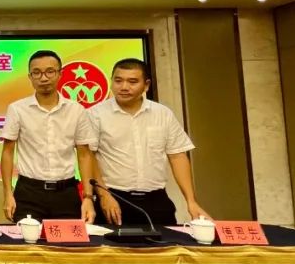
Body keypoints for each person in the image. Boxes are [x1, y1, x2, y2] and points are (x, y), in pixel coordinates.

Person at [87, 58, 210, 226]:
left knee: (167, 241)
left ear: (146, 85)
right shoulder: (95, 114)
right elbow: (89, 157)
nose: (124, 87)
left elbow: (177, 156)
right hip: (114, 199)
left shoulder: (163, 114)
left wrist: (191, 201)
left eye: (132, 82)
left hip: (156, 200)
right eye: (118, 81)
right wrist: (104, 195)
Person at [0, 50, 96, 223]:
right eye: (36, 73)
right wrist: (7, 193)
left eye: (50, 71)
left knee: (69, 240)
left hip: (66, 192)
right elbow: (7, 152)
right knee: (27, 239)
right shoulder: (17, 109)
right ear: (30, 77)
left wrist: (88, 197)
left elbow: (84, 155)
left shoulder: (76, 110)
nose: (43, 78)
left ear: (60, 74)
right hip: (29, 192)